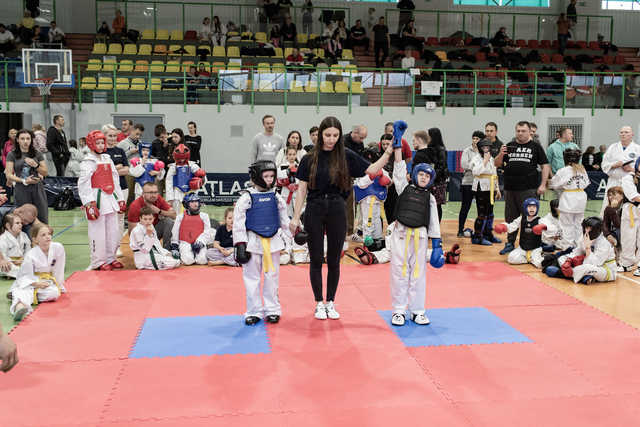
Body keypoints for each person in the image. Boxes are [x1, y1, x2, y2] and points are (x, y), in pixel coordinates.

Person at [290, 116, 392, 320]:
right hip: (315, 208)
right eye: (327, 135)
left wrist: (389, 151)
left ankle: (331, 302)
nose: (331, 139)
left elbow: (372, 170)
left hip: (338, 207)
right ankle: (319, 302)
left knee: (335, 259)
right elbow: (301, 189)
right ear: (320, 135)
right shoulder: (309, 157)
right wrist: (295, 217)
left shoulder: (346, 155)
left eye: (335, 135)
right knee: (317, 258)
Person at [388, 140, 443, 327]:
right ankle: (399, 310)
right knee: (399, 272)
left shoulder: (431, 198)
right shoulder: (404, 187)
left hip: (420, 238)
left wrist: (437, 246)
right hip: (401, 236)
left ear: (431, 179)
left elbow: (434, 223)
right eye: (421, 174)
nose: (424, 178)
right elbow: (398, 168)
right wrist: (397, 145)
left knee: (418, 274)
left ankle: (417, 311)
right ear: (414, 175)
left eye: (427, 176)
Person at [233, 160, 290, 325]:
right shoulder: (246, 197)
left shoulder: (276, 196)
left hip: (273, 242)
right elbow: (238, 223)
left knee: (272, 277)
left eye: (272, 176)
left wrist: (293, 236)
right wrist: (240, 244)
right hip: (252, 242)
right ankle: (254, 311)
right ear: (256, 177)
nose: (270, 180)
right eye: (266, 176)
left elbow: (284, 220)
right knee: (251, 278)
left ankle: (272, 309)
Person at [494, 121, 550, 255]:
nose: (520, 133)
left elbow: (545, 166)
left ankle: (530, 244)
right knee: (511, 218)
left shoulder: (536, 147)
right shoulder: (509, 145)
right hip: (510, 189)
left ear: (530, 131)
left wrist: (543, 184)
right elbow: (496, 163)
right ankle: (510, 243)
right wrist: (501, 154)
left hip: (528, 189)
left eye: (523, 131)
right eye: (518, 130)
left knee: (529, 217)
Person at [78, 130, 125, 271]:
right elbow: (83, 183)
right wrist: (88, 203)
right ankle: (98, 261)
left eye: (101, 142)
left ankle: (111, 258)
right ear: (92, 144)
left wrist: (120, 199)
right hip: (96, 199)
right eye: (97, 143)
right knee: (98, 232)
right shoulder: (87, 162)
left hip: (110, 198)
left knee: (113, 231)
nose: (100, 145)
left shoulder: (107, 158)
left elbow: (115, 179)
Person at [9, 222, 65, 321]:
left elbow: (59, 268)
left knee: (54, 293)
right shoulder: (31, 255)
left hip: (46, 281)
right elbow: (24, 276)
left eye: (49, 234)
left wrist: (59, 285)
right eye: (43, 235)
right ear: (35, 239)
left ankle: (16, 294)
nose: (47, 237)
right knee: (25, 290)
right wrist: (36, 284)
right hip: (31, 280)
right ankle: (20, 307)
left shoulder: (58, 248)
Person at [5, 129, 49, 223]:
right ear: (17, 140)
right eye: (22, 139)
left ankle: (43, 236)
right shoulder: (11, 154)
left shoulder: (37, 153)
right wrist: (24, 181)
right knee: (23, 218)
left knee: (42, 217)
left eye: (28, 138)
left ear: (31, 140)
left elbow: (45, 172)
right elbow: (9, 175)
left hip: (37, 188)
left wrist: (35, 165)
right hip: (21, 189)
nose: (25, 141)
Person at [549, 149, 589, 247]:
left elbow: (554, 184)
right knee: (579, 223)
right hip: (581, 197)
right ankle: (579, 245)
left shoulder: (563, 170)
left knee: (566, 223)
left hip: (569, 197)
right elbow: (587, 183)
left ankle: (567, 246)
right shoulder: (582, 169)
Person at [558, 217, 617, 285]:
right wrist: (568, 261)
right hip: (586, 263)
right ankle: (582, 276)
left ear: (597, 230)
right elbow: (576, 252)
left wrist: (587, 248)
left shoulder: (604, 243)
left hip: (605, 269)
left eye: (590, 229)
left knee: (587, 268)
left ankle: (562, 273)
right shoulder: (584, 237)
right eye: (586, 228)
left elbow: (596, 263)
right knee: (562, 258)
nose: (587, 231)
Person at [103, 124, 129, 258]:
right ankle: (106, 247)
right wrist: (116, 168)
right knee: (107, 218)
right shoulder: (101, 152)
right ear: (104, 136)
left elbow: (127, 170)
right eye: (110, 136)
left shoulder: (121, 151)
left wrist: (113, 170)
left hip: (122, 188)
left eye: (114, 136)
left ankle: (116, 247)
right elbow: (102, 173)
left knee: (119, 219)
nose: (113, 139)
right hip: (105, 191)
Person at [354, 158, 391, 252]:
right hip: (367, 200)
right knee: (368, 220)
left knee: (377, 220)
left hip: (378, 200)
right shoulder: (363, 169)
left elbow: (390, 181)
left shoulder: (382, 170)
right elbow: (359, 184)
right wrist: (370, 177)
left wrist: (387, 180)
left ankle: (377, 239)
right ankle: (368, 242)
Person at [494, 198, 544, 268]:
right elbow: (512, 226)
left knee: (539, 264)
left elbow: (549, 230)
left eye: (534, 207)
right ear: (525, 208)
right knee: (511, 259)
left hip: (535, 248)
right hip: (522, 248)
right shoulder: (521, 218)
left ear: (537, 208)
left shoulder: (540, 220)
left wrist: (544, 227)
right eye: (529, 206)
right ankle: (529, 259)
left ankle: (535, 257)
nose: (532, 209)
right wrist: (504, 226)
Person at [601, 126, 640, 215]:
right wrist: (614, 165)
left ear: (632, 134)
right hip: (613, 182)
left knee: (629, 209)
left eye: (626, 132)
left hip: (631, 183)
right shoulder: (612, 147)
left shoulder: (638, 149)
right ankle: (608, 227)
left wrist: (630, 169)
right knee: (609, 207)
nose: (623, 134)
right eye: (621, 132)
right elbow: (604, 165)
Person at [413, 128, 449, 222]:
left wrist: (432, 177)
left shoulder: (440, 149)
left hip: (437, 181)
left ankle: (436, 226)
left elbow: (441, 165)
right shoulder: (429, 149)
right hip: (432, 180)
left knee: (436, 205)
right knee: (430, 204)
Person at [470, 138, 501, 245]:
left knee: (490, 213)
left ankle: (488, 234)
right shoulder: (476, 158)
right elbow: (476, 172)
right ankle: (477, 236)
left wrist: (497, 189)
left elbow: (494, 173)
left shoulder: (492, 159)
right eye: (484, 147)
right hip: (480, 187)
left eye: (488, 147)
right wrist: (485, 161)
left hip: (490, 187)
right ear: (480, 148)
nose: (486, 149)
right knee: (482, 213)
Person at [129, 206, 180, 270]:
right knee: (174, 263)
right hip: (143, 257)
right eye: (145, 219)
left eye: (150, 219)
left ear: (153, 218)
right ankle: (145, 265)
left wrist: (166, 253)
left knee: (176, 259)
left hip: (153, 252)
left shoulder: (151, 226)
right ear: (140, 218)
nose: (147, 221)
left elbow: (156, 243)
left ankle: (159, 261)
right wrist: (149, 235)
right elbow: (145, 250)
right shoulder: (137, 231)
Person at [128, 182, 176, 250]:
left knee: (169, 222)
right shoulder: (135, 206)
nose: (153, 195)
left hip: (154, 232)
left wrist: (159, 211)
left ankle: (167, 250)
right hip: (142, 235)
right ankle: (151, 249)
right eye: (150, 192)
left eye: (155, 192)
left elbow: (174, 215)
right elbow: (132, 231)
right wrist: (141, 246)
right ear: (143, 194)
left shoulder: (158, 198)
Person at [170, 193, 210, 265]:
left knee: (202, 260)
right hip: (185, 242)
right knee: (188, 261)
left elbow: (207, 231)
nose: (195, 204)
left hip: (199, 242)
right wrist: (174, 246)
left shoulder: (204, 216)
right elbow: (175, 232)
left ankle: (205, 248)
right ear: (186, 204)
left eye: (196, 201)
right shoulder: (180, 216)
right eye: (192, 202)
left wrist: (201, 242)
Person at [165, 144, 205, 213]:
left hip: (191, 193)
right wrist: (170, 199)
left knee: (192, 213)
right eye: (179, 159)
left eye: (183, 158)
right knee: (177, 215)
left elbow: (203, 178)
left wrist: (201, 181)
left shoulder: (193, 166)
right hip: (177, 194)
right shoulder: (173, 167)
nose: (182, 160)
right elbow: (168, 183)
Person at [458, 131, 483, 237]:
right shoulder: (467, 151)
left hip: (481, 184)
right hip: (468, 182)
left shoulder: (484, 151)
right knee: (465, 207)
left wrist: (473, 166)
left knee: (480, 208)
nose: (475, 140)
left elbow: (487, 165)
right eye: (474, 138)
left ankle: (479, 231)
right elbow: (464, 164)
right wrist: (478, 167)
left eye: (477, 139)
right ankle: (460, 230)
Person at [619, 157, 640, 274]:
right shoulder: (628, 178)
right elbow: (633, 196)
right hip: (631, 211)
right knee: (628, 238)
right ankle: (626, 263)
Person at [0, 213, 30, 278]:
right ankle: (25, 274)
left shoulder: (24, 235)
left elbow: (28, 250)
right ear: (8, 226)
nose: (20, 225)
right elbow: (3, 256)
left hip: (22, 261)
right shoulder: (3, 239)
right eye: (17, 223)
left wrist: (24, 259)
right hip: (9, 263)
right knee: (6, 267)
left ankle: (25, 273)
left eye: (21, 223)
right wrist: (13, 261)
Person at [276, 147, 299, 218]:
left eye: (294, 154)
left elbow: (301, 180)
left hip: (297, 194)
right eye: (290, 154)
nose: (292, 156)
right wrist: (288, 170)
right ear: (286, 156)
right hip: (286, 193)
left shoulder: (299, 166)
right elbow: (278, 178)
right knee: (285, 214)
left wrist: (296, 185)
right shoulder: (282, 167)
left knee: (297, 214)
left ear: (296, 155)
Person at [602, 186, 622, 265]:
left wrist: (613, 210)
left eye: (614, 194)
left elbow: (619, 225)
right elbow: (604, 224)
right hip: (615, 233)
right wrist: (608, 235)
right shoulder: (608, 208)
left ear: (622, 195)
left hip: (625, 233)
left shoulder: (626, 206)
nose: (611, 197)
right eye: (609, 195)